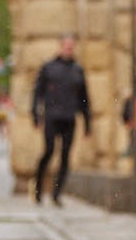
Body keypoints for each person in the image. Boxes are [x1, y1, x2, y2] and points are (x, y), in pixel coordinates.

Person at [31, 34, 91, 206]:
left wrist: (87, 123)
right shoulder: (49, 67)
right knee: (49, 151)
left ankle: (56, 194)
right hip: (52, 116)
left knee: (65, 156)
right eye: (66, 46)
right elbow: (37, 93)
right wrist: (36, 115)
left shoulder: (78, 70)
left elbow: (85, 99)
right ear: (60, 46)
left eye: (71, 46)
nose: (68, 49)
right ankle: (38, 189)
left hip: (69, 118)